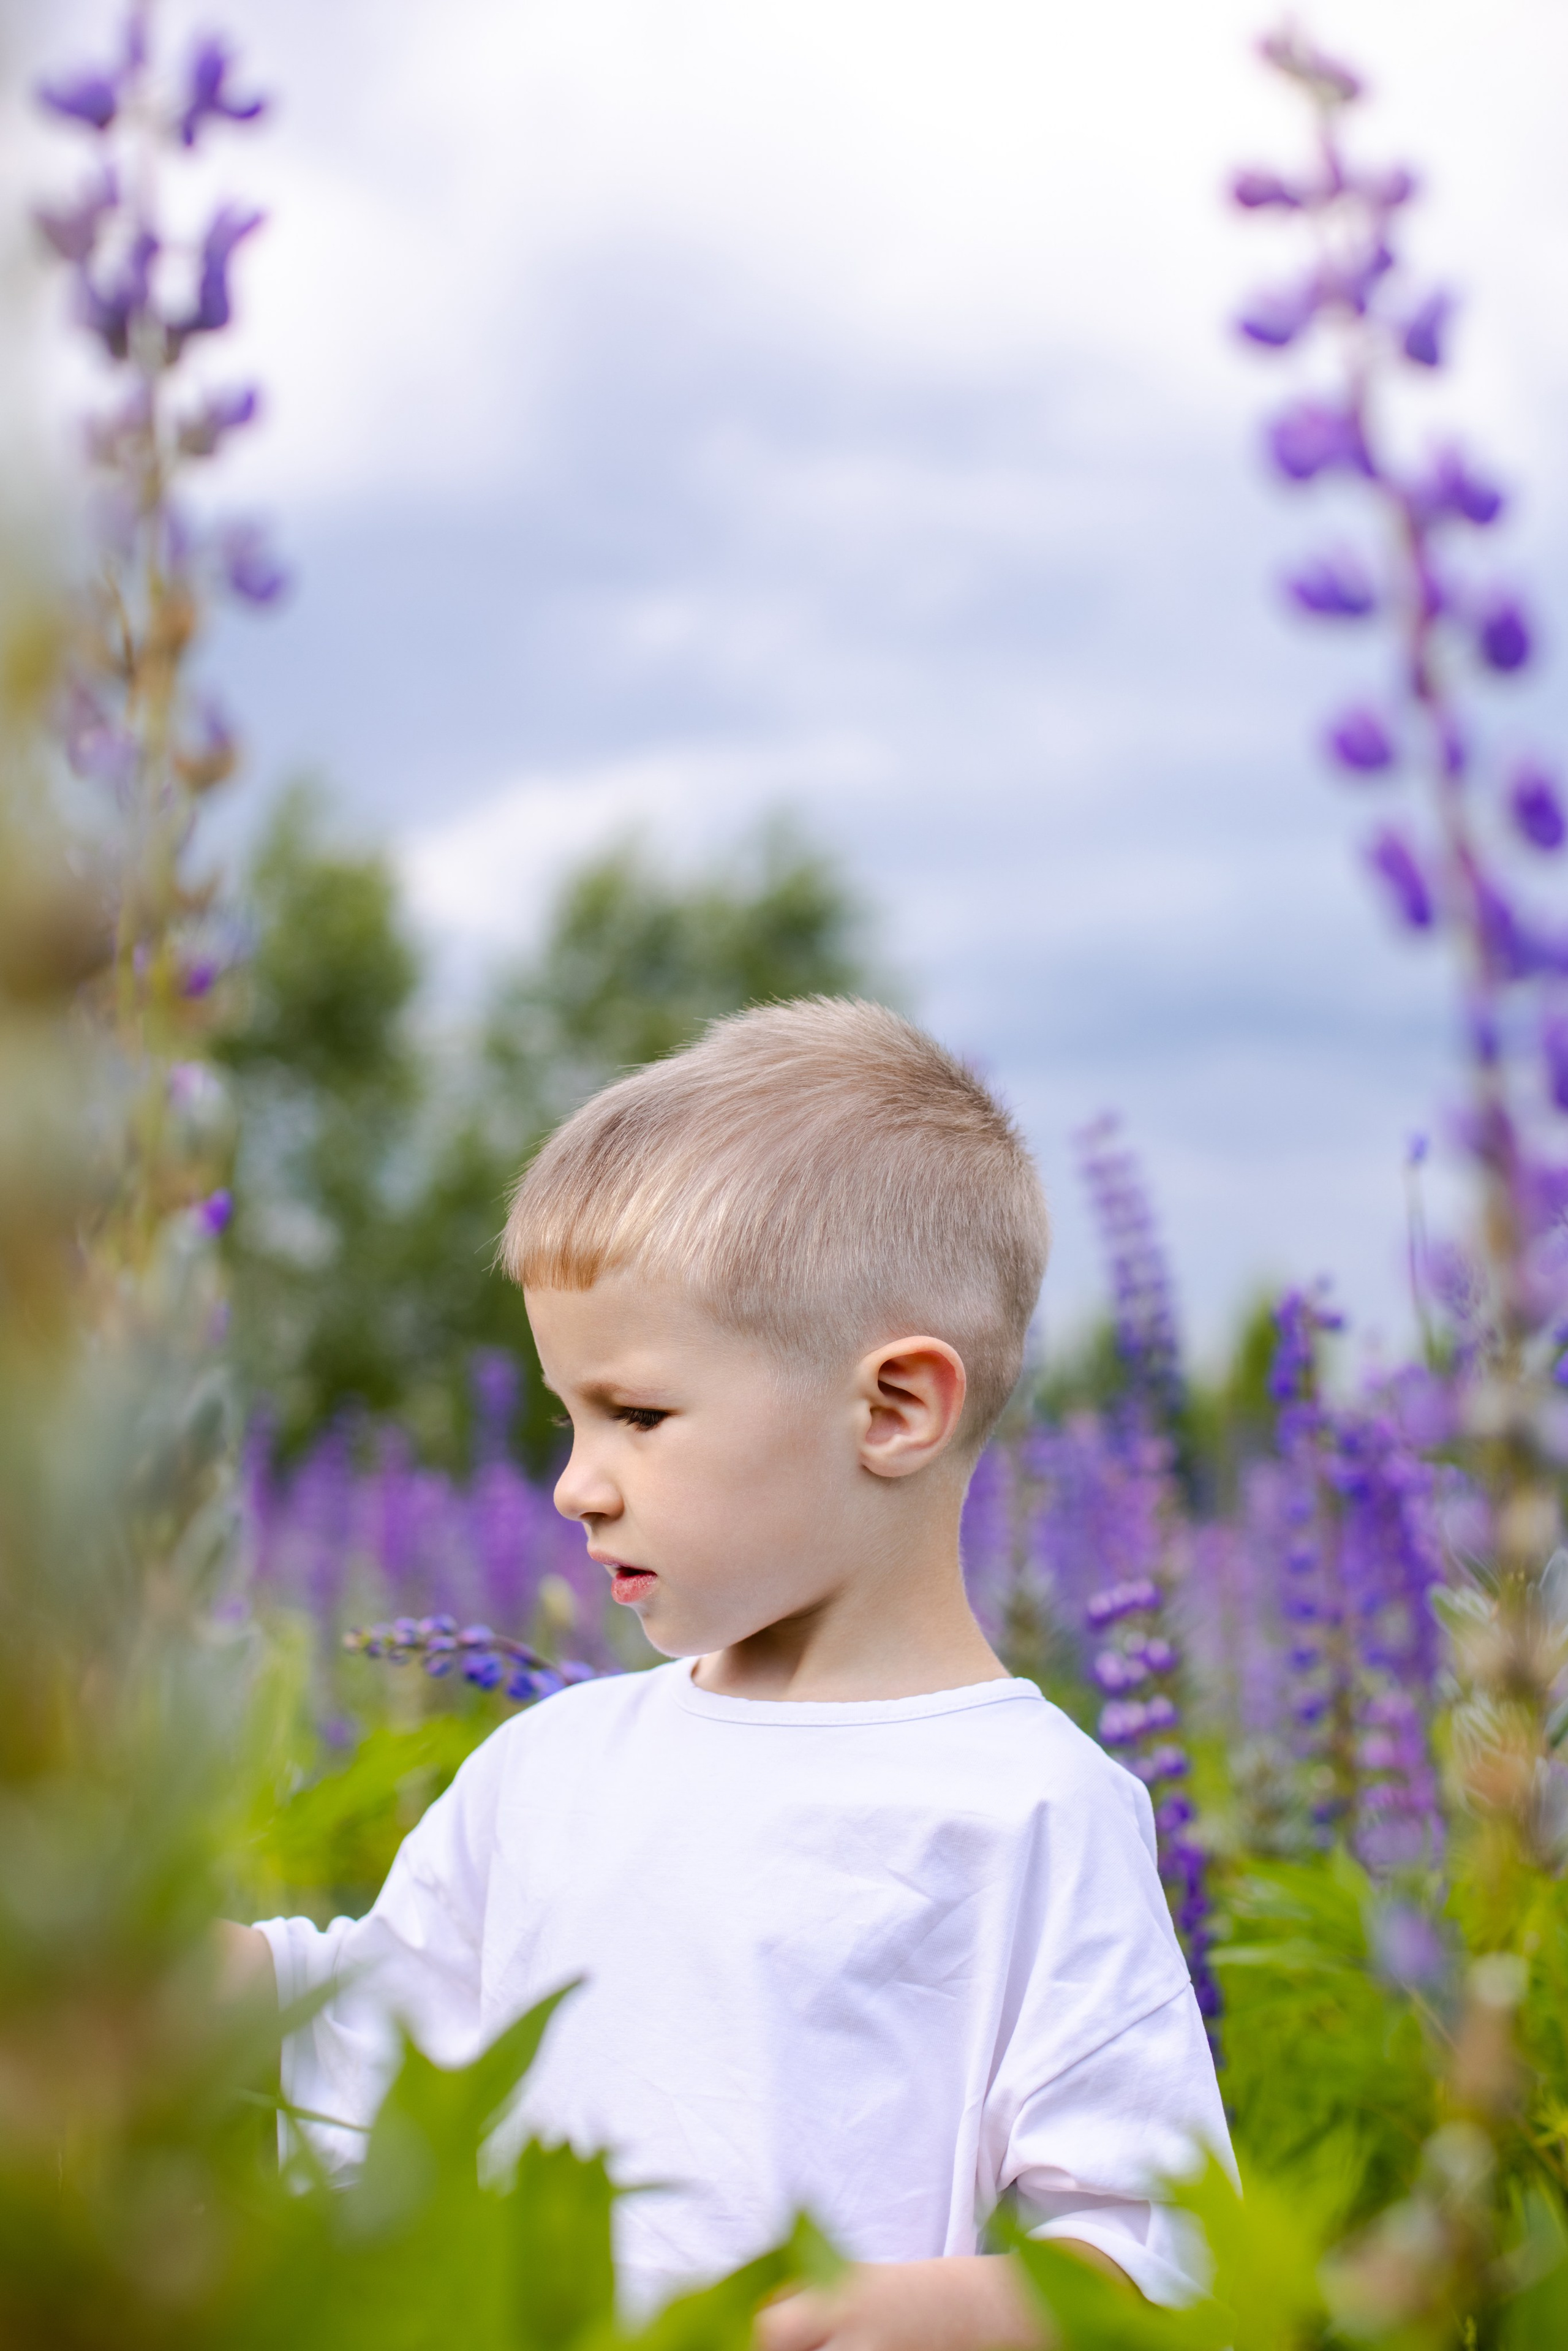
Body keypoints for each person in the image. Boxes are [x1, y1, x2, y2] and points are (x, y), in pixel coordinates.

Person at [221, 998, 1231, 2347]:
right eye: (565, 1415)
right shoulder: (550, 1761)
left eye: (635, 1413)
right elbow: (374, 2021)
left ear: (890, 1408)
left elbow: (1158, 2244)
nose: (576, 1484)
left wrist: (965, 2310)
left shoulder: (1029, 1807)